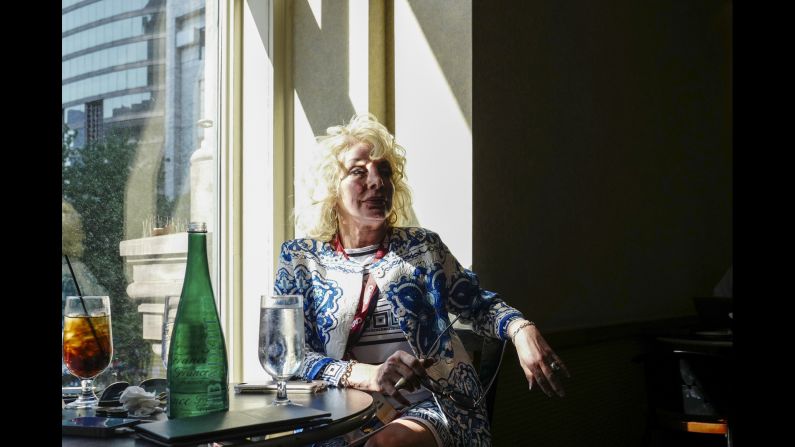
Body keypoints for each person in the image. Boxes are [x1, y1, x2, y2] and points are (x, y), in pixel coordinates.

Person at [274, 113, 569, 447]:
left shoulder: (422, 247)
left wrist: (521, 329)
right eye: (359, 172)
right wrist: (369, 375)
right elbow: (290, 355)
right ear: (331, 189)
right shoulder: (301, 260)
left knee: (387, 446)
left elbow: (479, 306)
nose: (377, 182)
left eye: (384, 171)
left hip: (432, 405)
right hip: (339, 413)